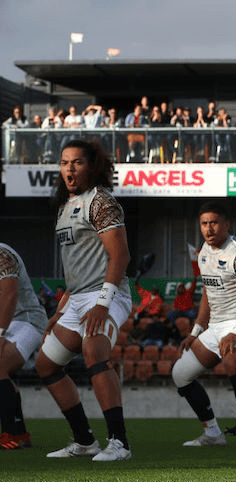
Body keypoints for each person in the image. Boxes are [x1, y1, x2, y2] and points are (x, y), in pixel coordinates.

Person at [35, 139, 133, 461]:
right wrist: (60, 309)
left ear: (91, 166)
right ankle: (84, 440)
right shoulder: (65, 208)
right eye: (64, 163)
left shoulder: (101, 201)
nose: (69, 169)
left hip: (108, 293)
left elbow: (120, 256)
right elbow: (74, 272)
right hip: (76, 299)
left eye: (76, 162)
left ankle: (119, 443)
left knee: (94, 352)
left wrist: (103, 305)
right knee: (47, 365)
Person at [171, 202, 236, 449]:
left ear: (226, 224)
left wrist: (235, 333)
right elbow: (207, 293)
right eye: (204, 223)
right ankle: (212, 432)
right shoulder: (203, 251)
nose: (208, 228)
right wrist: (196, 331)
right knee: (180, 374)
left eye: (214, 223)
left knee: (233, 361)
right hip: (214, 327)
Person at [0, 243, 49, 449]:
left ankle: (11, 435)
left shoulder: (3, 254)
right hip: (8, 322)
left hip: (28, 320)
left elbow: (10, 295)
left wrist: (0, 334)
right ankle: (19, 435)